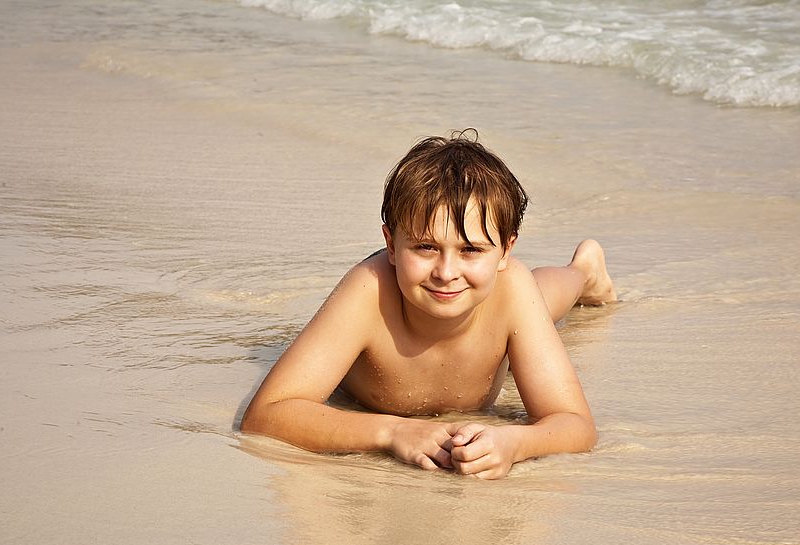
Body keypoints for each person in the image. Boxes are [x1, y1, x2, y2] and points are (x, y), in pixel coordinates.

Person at [240, 129, 616, 479]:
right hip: (480, 300)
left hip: (507, 296)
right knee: (527, 299)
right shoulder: (369, 290)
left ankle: (583, 271)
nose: (446, 272)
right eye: (425, 247)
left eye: (470, 249)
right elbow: (266, 415)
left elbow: (576, 424)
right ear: (391, 243)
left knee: (541, 296)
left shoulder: (511, 286)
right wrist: (391, 431)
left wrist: (516, 443)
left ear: (505, 250)